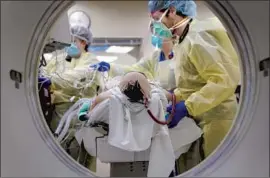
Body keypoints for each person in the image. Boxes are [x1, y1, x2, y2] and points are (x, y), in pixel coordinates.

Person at [91, 0, 240, 170]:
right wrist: (173, 98)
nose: (156, 25)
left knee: (220, 170)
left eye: (156, 18)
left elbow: (224, 80)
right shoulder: (183, 43)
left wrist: (188, 106)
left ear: (171, 11)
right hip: (201, 115)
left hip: (217, 118)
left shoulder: (198, 36)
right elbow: (191, 86)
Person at [41, 25, 101, 172]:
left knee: (80, 161)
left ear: (84, 42)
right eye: (69, 40)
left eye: (74, 40)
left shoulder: (91, 60)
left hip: (80, 115)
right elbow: (43, 73)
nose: (71, 44)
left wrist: (52, 81)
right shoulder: (60, 59)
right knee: (57, 158)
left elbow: (78, 78)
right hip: (57, 115)